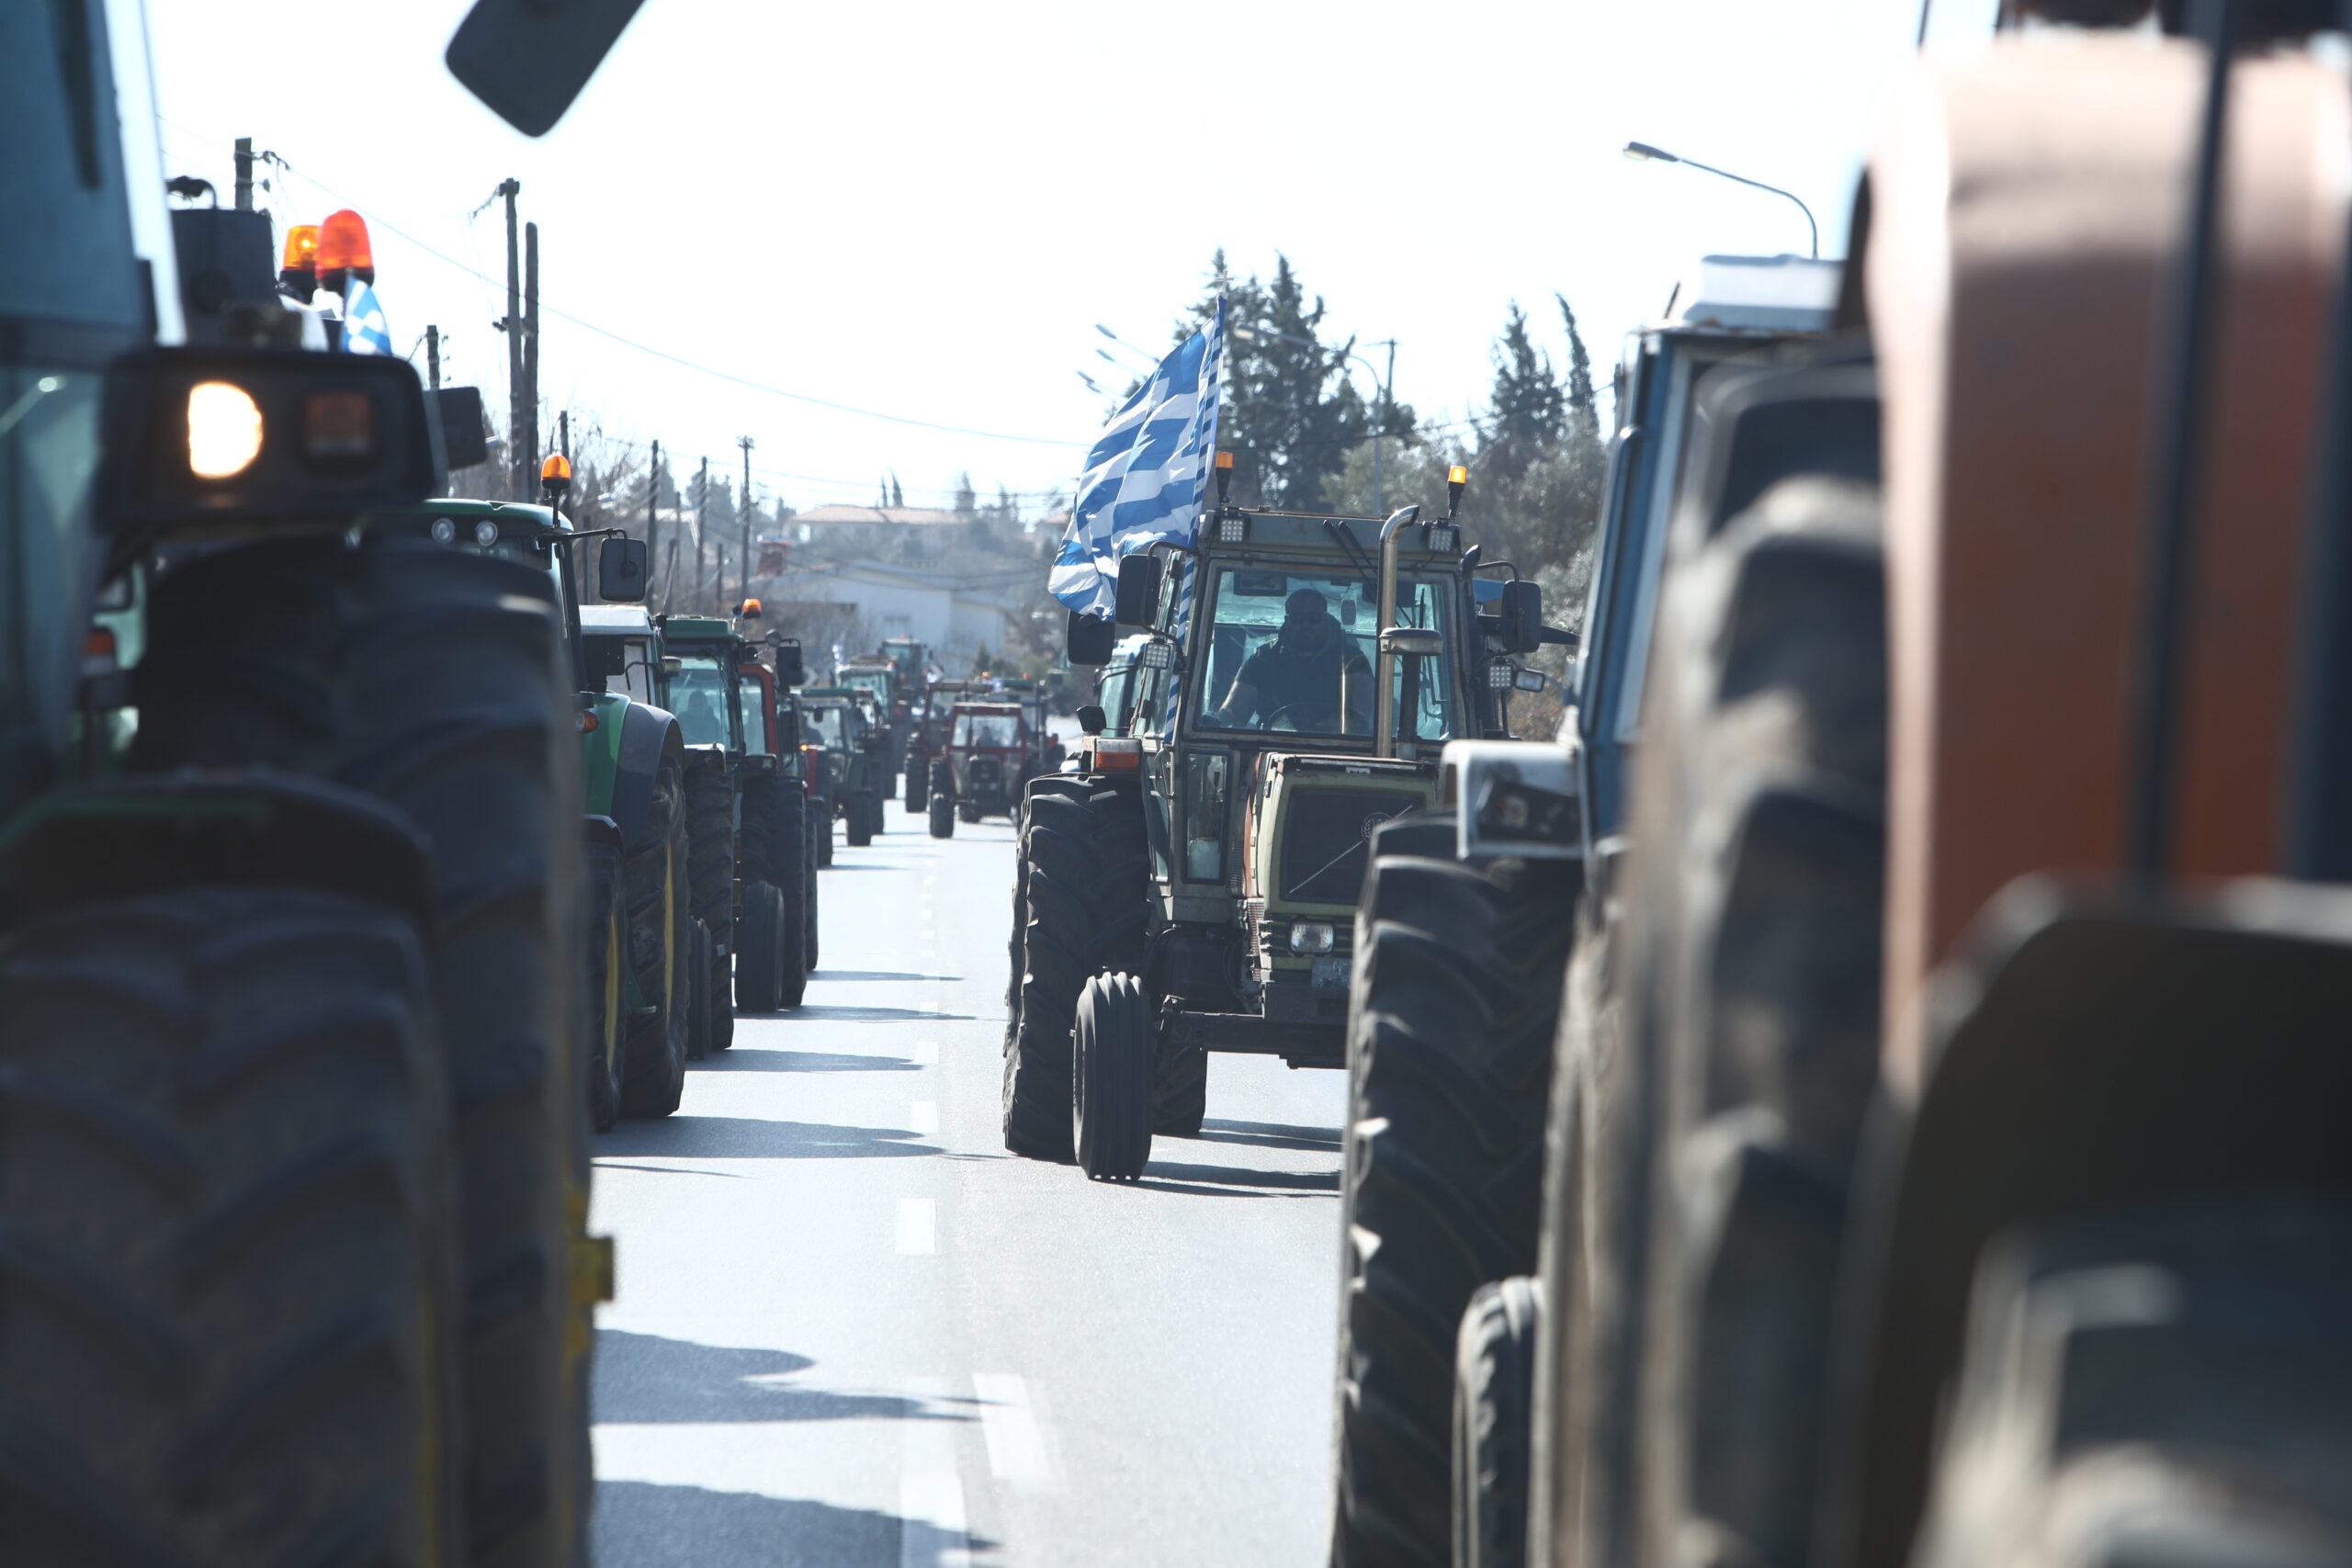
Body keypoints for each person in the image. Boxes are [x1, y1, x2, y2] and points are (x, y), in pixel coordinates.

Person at [1204, 587, 1372, 731]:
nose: (1305, 625)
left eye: (1313, 618)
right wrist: (1218, 721)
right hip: (1271, 749)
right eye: (1297, 618)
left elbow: (1362, 715)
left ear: (1325, 619)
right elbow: (1234, 713)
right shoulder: (1263, 659)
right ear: (1287, 620)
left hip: (1337, 750)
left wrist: (1333, 727)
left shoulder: (1351, 660)